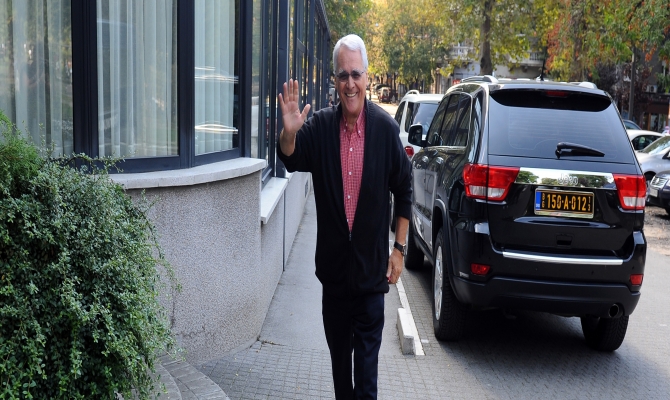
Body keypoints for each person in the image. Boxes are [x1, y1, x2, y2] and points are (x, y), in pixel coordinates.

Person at [277, 34, 412, 399]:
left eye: (356, 74)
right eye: (342, 75)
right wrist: (288, 134)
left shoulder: (385, 130)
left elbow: (404, 187)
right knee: (342, 378)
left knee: (366, 384)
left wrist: (399, 249)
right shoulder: (320, 128)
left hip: (371, 281)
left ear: (366, 76)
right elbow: (291, 157)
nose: (349, 83)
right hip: (335, 281)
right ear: (334, 80)